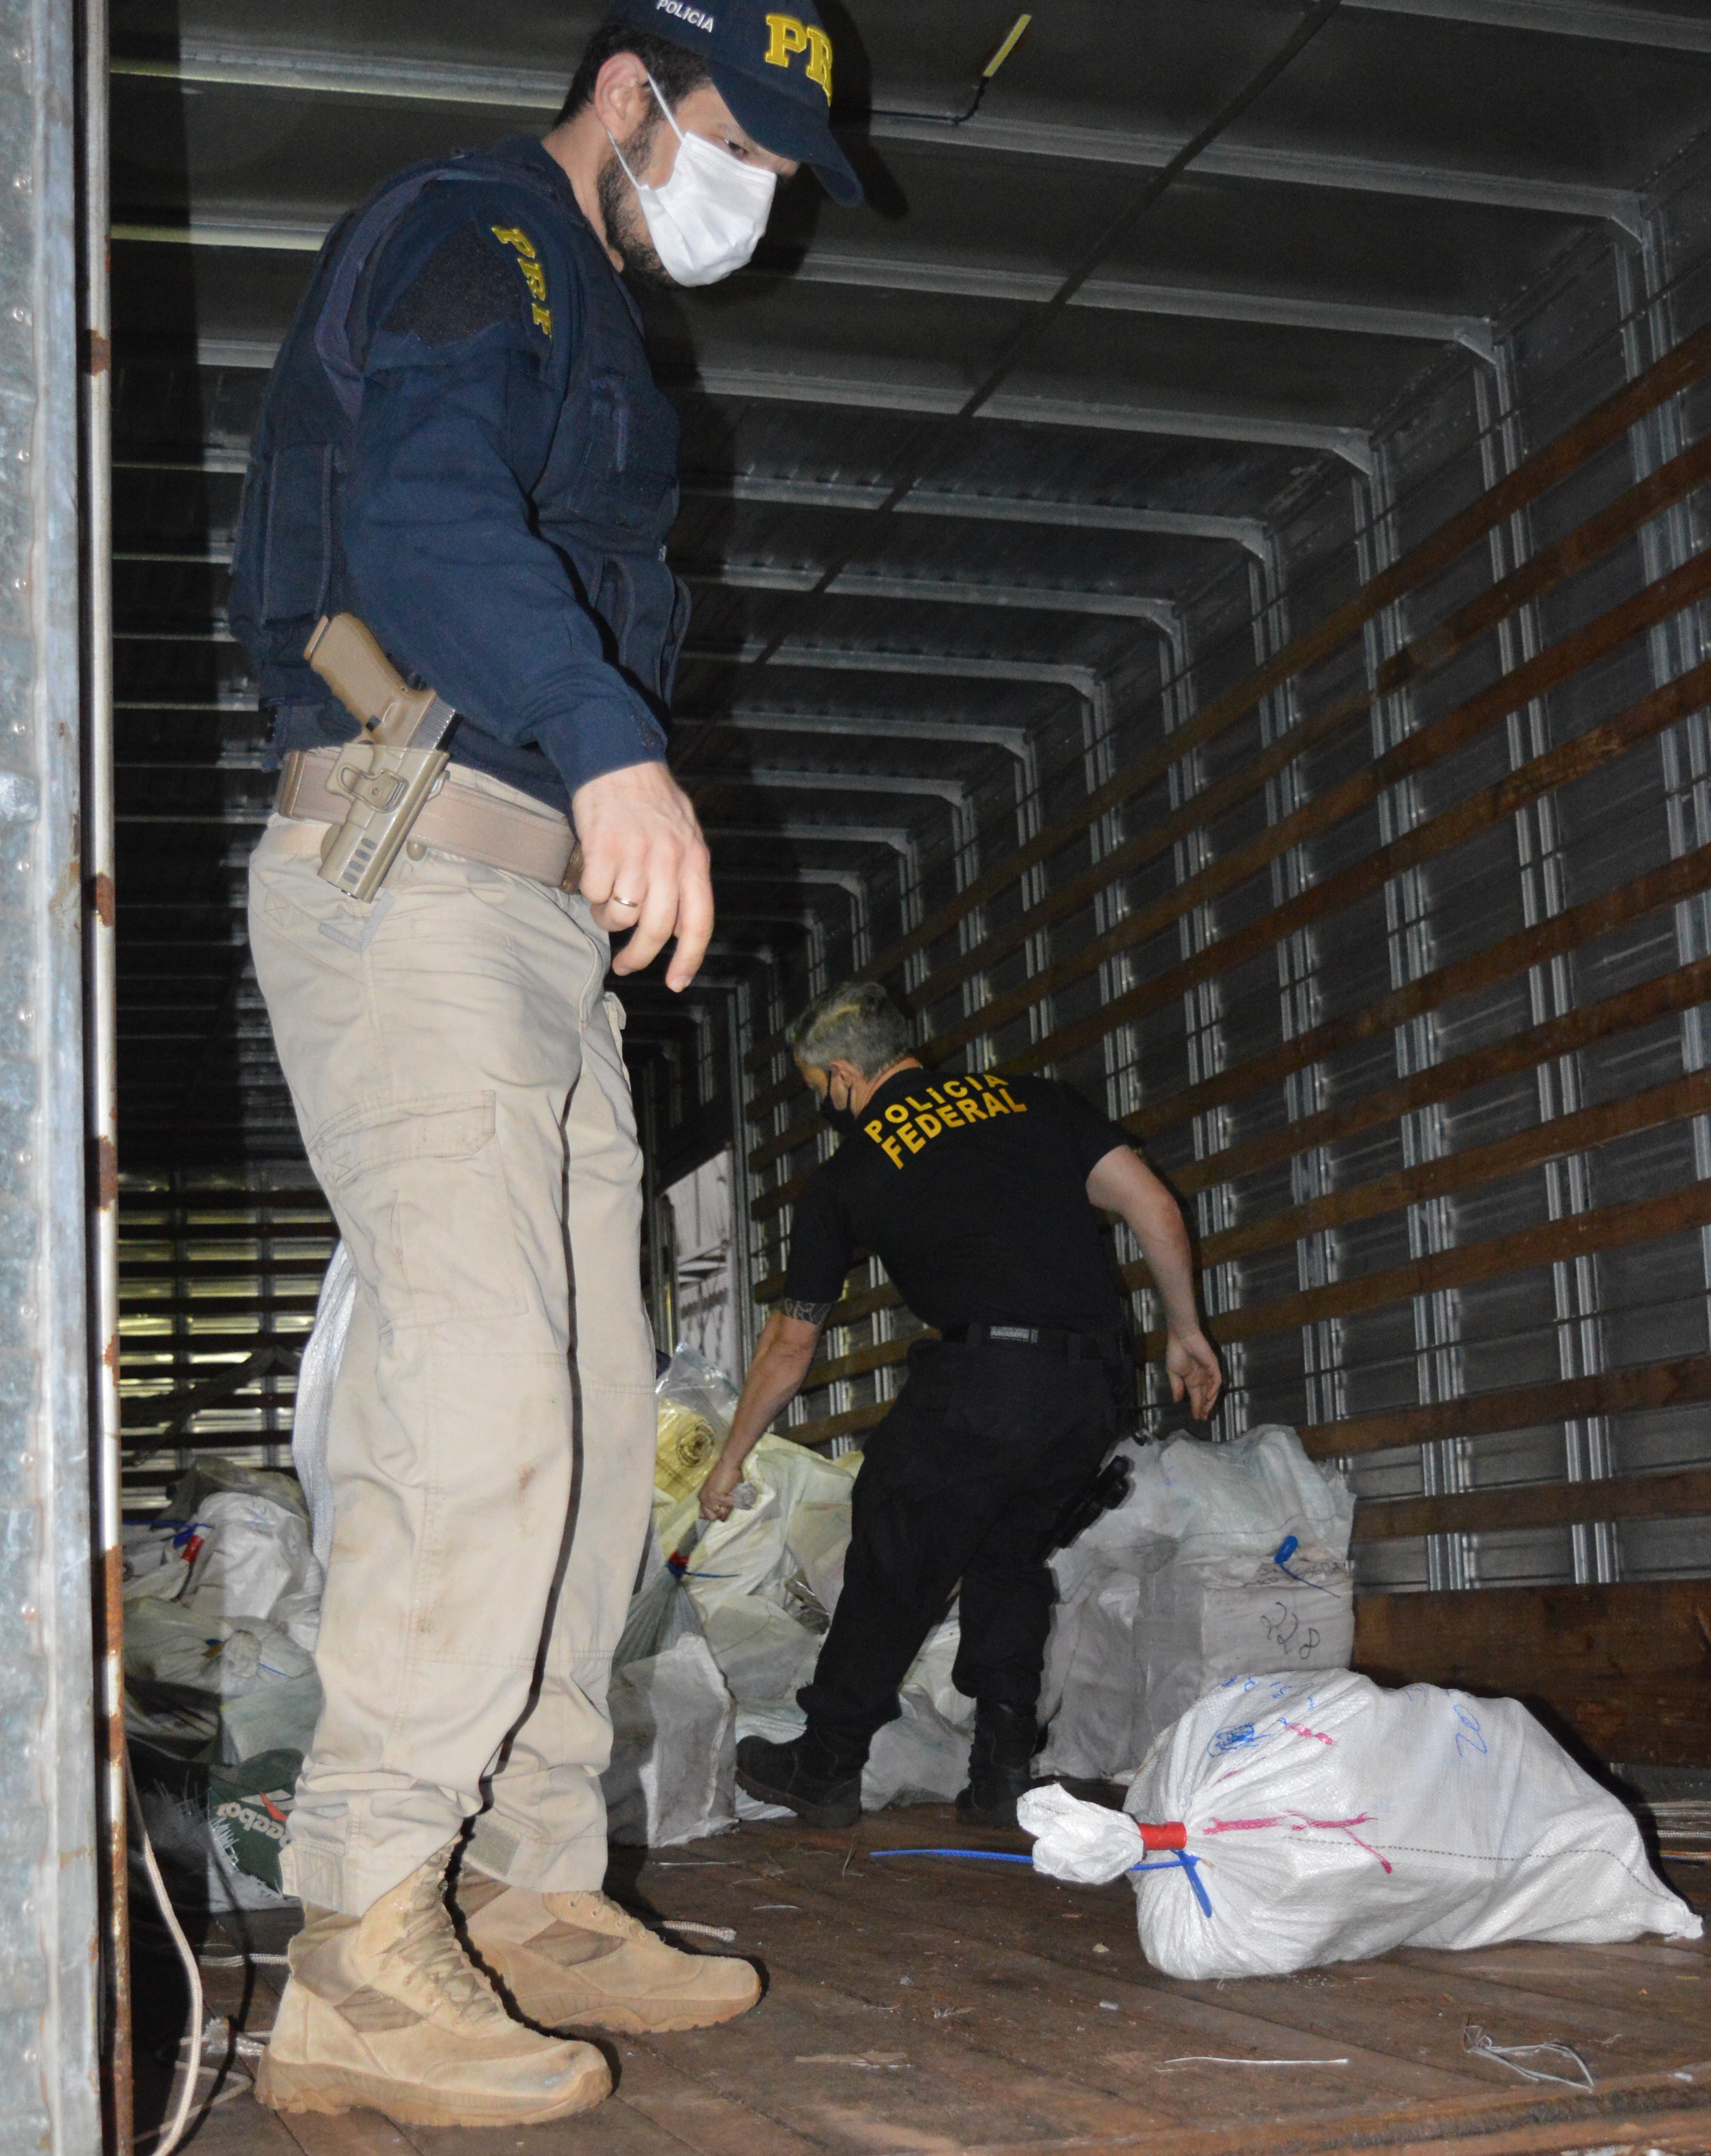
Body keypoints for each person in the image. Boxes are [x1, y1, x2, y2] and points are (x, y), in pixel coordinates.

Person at [230, 2, 863, 2128]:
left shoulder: (580, 298)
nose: (753, 198)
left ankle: (527, 1873)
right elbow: (418, 511)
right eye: (740, 146)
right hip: (405, 862)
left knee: (602, 1413)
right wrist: (613, 744)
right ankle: (360, 1936)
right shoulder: (488, 228)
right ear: (628, 93)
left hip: (519, 919)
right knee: (488, 1387)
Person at [699, 982, 1222, 1831]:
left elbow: (789, 1346)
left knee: (895, 1538)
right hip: (1093, 1382)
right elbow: (1153, 1205)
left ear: (840, 1075)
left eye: (817, 1090)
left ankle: (828, 1761)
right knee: (1007, 1549)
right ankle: (1004, 1765)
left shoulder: (850, 1171)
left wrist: (729, 1459)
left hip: (987, 1380)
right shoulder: (1033, 1099)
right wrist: (1185, 1329)